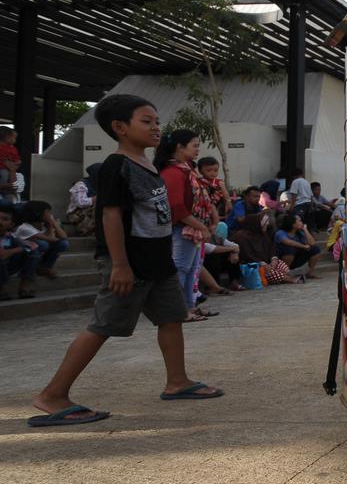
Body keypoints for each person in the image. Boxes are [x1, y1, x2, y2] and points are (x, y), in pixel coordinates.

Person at [29, 94, 222, 428]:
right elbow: (111, 216)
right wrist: (119, 264)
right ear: (119, 128)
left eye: (157, 122)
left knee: (172, 317)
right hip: (130, 262)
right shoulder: (117, 166)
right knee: (104, 325)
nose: (156, 128)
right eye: (146, 122)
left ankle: (177, 381)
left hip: (157, 260)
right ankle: (53, 394)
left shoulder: (149, 165)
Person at [155, 129, 214, 322]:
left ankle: (189, 306)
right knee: (181, 268)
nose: (198, 150)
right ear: (179, 147)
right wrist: (202, 226)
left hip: (190, 227)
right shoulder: (174, 172)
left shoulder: (186, 171)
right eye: (194, 146)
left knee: (192, 268)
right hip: (184, 227)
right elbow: (176, 207)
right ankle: (178, 309)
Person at [14, 200, 70, 281]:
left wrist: (52, 224)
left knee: (63, 243)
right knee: (44, 244)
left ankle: (45, 267)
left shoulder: (43, 225)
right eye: (48, 212)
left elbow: (64, 237)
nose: (50, 215)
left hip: (38, 251)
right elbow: (51, 240)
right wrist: (52, 225)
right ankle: (33, 270)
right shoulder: (25, 227)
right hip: (22, 255)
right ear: (37, 213)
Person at [229, 185, 276, 264]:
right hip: (234, 232)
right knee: (242, 237)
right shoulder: (240, 204)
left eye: (258, 196)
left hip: (250, 231)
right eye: (255, 196)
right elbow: (240, 219)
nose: (257, 199)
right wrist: (259, 216)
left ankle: (270, 260)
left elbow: (262, 218)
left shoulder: (257, 207)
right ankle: (256, 262)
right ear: (247, 197)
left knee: (266, 237)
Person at [0, 203, 36, 300]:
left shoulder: (10, 235)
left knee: (31, 252)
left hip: (6, 267)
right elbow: (1, 255)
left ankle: (24, 287)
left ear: (11, 224)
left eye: (5, 219)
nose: (0, 222)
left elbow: (29, 246)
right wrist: (20, 249)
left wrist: (27, 246)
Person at [274, 212, 321, 278]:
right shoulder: (280, 232)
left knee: (315, 249)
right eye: (299, 221)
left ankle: (310, 272)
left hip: (296, 259)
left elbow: (312, 243)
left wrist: (305, 230)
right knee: (289, 249)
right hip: (282, 261)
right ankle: (284, 274)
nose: (302, 222)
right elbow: (286, 241)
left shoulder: (300, 232)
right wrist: (303, 246)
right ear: (293, 224)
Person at [65, 163, 102, 236]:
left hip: (89, 214)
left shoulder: (100, 185)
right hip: (76, 214)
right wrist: (97, 198)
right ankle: (86, 231)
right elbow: (81, 203)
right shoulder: (81, 184)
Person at [197, 156, 230, 223]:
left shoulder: (219, 182)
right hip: (204, 207)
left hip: (217, 205)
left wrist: (228, 203)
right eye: (209, 170)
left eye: (215, 170)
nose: (213, 173)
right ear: (200, 171)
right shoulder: (198, 182)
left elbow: (226, 195)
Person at [0, 126, 21, 196]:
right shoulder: (12, 149)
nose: (15, 140)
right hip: (6, 169)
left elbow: (16, 160)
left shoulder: (12, 149)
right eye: (14, 138)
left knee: (5, 175)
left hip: (5, 169)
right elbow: (17, 160)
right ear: (8, 137)